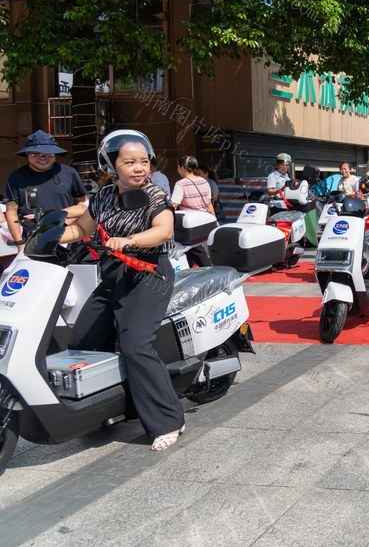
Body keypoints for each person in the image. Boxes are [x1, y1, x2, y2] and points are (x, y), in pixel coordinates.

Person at [59, 129, 185, 451]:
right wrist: (53, 237)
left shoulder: (156, 195)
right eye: (129, 162)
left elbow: (163, 230)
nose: (139, 168)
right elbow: (82, 228)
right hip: (114, 276)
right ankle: (108, 407)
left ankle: (169, 420)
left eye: (143, 161)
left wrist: (129, 240)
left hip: (148, 275)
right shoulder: (101, 197)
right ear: (111, 165)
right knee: (82, 339)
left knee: (135, 345)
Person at [3, 130, 88, 247]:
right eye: (35, 153)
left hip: (70, 237)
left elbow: (84, 205)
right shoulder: (15, 178)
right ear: (27, 154)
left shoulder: (69, 173)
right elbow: (11, 212)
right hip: (33, 240)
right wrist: (20, 243)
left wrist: (65, 221)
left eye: (49, 153)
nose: (43, 157)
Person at [170, 156, 215, 267]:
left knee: (195, 250)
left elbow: (174, 205)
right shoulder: (204, 181)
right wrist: (214, 220)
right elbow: (209, 203)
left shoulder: (181, 184)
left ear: (182, 167)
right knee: (191, 251)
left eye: (178, 167)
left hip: (191, 226)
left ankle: (210, 274)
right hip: (206, 221)